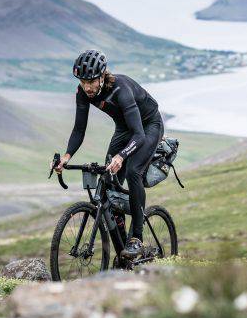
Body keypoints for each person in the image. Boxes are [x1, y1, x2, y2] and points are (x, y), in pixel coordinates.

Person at [54, 49, 164, 259]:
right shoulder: (82, 92)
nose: (87, 86)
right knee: (108, 180)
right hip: (124, 129)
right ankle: (123, 249)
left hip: (149, 126)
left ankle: (136, 239)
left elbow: (139, 135)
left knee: (133, 172)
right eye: (83, 81)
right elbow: (79, 130)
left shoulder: (120, 90)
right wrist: (67, 157)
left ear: (102, 76)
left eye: (91, 81)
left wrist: (121, 156)